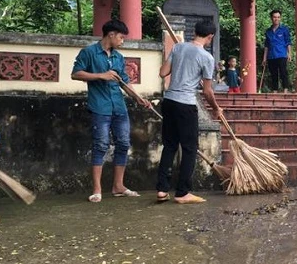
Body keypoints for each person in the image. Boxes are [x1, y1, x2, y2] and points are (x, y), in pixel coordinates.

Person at [72, 19, 148, 203]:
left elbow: (124, 82)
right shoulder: (89, 52)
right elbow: (75, 73)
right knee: (101, 145)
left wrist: (137, 97)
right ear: (111, 34)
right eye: (121, 37)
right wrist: (100, 75)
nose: (122, 41)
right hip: (100, 106)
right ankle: (97, 190)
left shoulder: (118, 57)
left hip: (119, 106)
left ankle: (118, 186)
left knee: (123, 144)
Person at [157, 20, 223, 204]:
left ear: (195, 32)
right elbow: (208, 91)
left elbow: (163, 72)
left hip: (169, 101)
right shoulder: (206, 57)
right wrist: (216, 109)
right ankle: (182, 193)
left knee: (169, 146)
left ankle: (162, 190)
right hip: (185, 104)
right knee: (189, 149)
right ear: (210, 37)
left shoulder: (178, 48)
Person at [263, 9, 292, 93]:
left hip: (282, 54)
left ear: (280, 18)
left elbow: (288, 42)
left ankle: (285, 90)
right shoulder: (268, 31)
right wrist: (264, 58)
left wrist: (289, 54)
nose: (277, 19)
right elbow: (266, 45)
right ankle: (275, 90)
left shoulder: (284, 29)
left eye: (278, 17)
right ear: (271, 18)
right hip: (271, 55)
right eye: (275, 17)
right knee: (273, 74)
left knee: (283, 72)